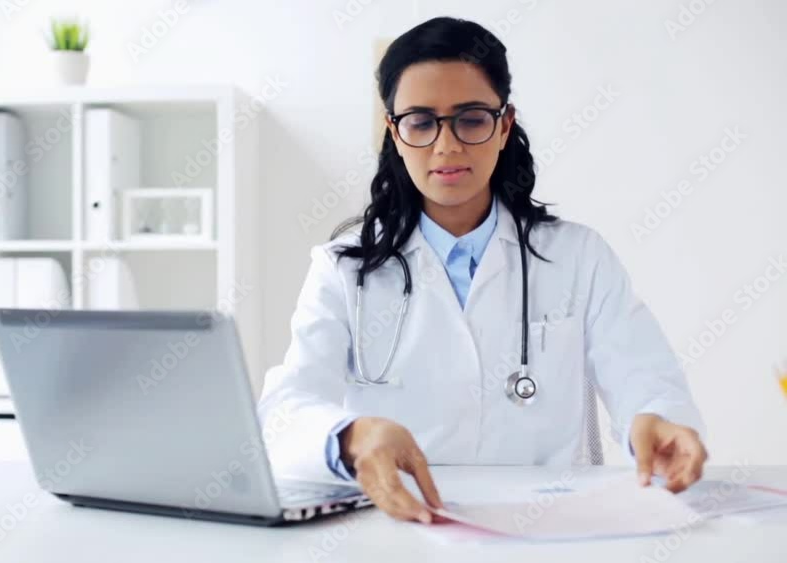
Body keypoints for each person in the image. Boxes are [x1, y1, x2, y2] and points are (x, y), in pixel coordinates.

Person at [257, 16, 707, 524]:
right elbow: (284, 413)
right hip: (401, 527)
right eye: (421, 122)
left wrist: (657, 421)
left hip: (555, 528)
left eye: (470, 118)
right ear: (394, 131)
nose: (446, 146)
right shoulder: (343, 269)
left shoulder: (578, 256)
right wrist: (351, 436)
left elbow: (644, 377)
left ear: (504, 123)